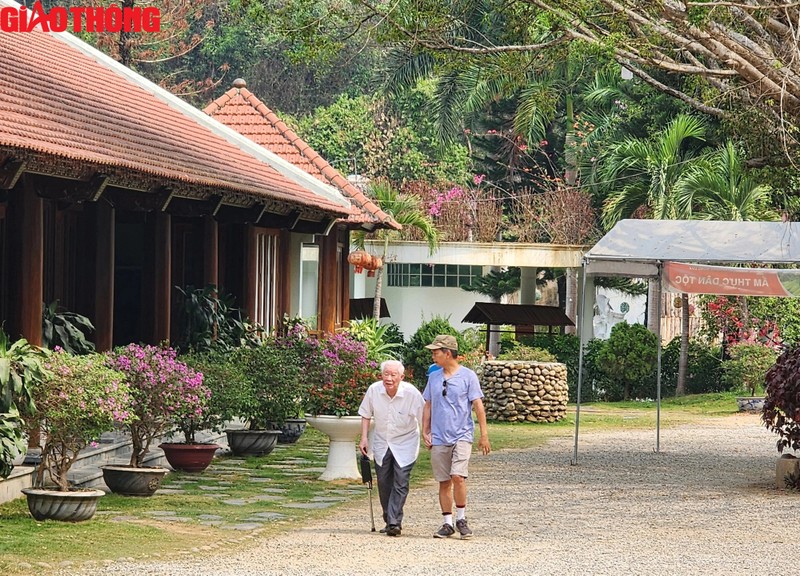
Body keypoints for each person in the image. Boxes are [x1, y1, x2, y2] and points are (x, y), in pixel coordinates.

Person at [422, 334, 491, 540]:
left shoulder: (468, 376)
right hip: (440, 437)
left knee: (457, 477)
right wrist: (425, 430)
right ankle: (447, 523)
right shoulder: (433, 377)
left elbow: (478, 406)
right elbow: (428, 404)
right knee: (444, 481)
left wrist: (484, 435)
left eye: (436, 352)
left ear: (448, 353)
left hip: (462, 435)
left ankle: (461, 518)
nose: (433, 355)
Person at [358, 359, 424, 537]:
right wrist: (364, 438)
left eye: (393, 375)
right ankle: (389, 519)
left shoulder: (411, 393)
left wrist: (428, 434)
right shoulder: (374, 390)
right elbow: (365, 414)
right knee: (384, 481)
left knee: (401, 480)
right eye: (386, 374)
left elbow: (424, 416)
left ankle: (394, 521)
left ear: (401, 377)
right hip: (382, 440)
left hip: (406, 441)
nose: (389, 378)